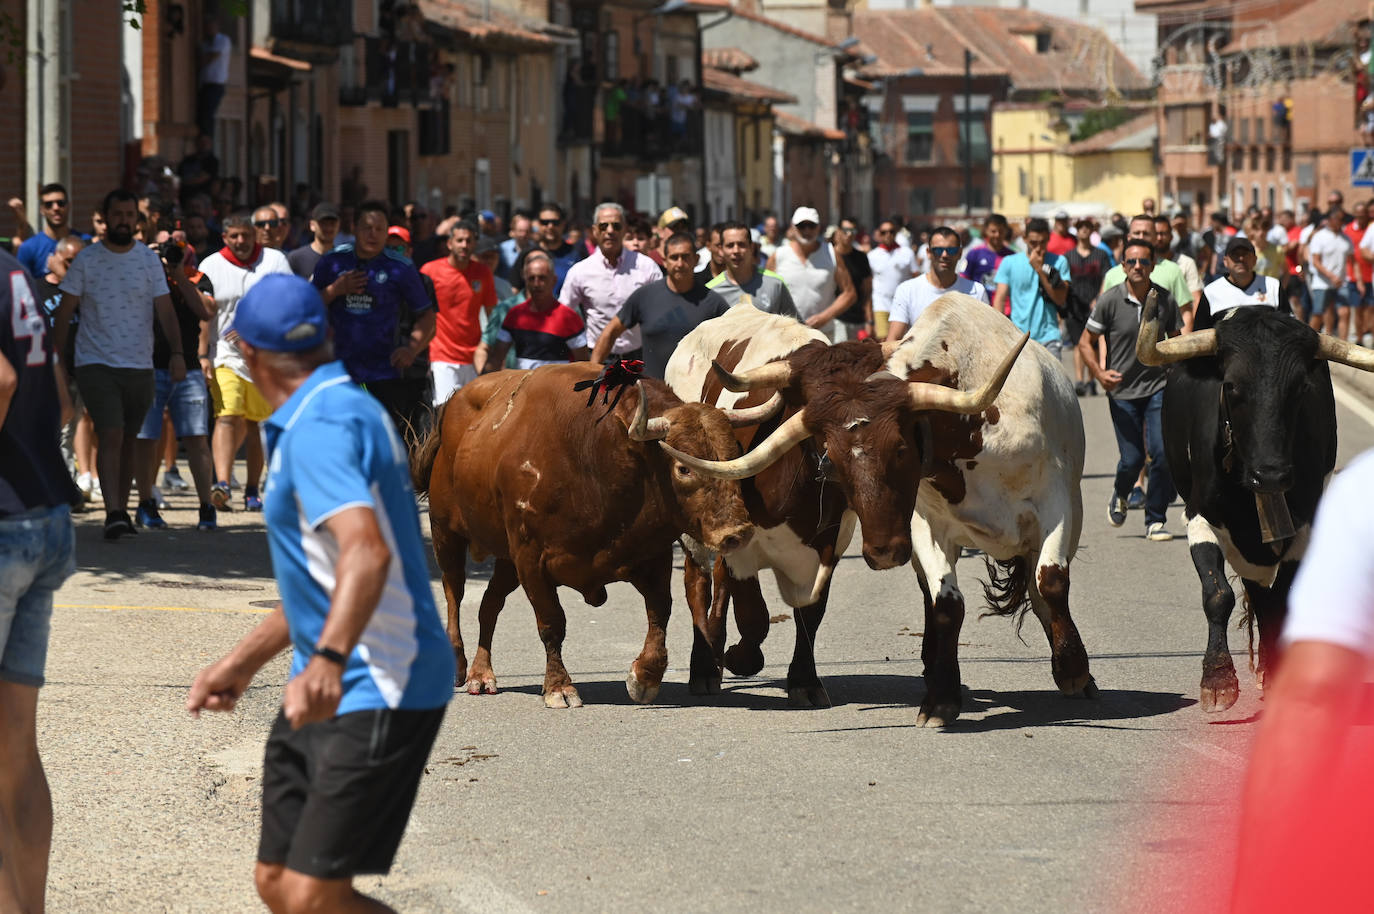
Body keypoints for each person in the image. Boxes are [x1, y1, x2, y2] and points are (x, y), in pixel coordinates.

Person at [186, 274, 453, 914]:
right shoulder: (338, 407)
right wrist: (242, 662)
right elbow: (326, 576)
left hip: (383, 680)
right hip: (330, 676)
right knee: (279, 883)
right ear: (327, 338)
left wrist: (329, 658)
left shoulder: (321, 427)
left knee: (310, 895)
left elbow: (364, 550)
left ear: (244, 353)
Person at [0, 244, 78, 914]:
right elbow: (47, 374)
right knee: (14, 749)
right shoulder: (12, 270)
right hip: (41, 512)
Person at [52, 189, 185, 540]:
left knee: (128, 437)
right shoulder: (87, 260)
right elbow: (64, 313)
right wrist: (57, 361)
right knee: (110, 432)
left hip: (139, 364)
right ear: (105, 217)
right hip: (95, 362)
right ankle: (113, 511)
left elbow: (166, 310)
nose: (124, 220)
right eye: (118, 214)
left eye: (130, 215)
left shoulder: (147, 261)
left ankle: (121, 510)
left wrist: (176, 353)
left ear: (136, 221)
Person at [1077, 239, 1181, 541]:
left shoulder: (1165, 299)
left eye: (1144, 262)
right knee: (1132, 459)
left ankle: (1156, 519)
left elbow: (1175, 340)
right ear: (1123, 265)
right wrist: (1098, 373)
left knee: (1162, 454)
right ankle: (1121, 493)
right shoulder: (1110, 300)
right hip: (1121, 392)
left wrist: (1177, 376)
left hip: (1158, 387)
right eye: (1131, 262)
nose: (1137, 267)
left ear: (1153, 265)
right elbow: (1086, 341)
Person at [310, 200, 435, 432]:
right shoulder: (332, 262)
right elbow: (307, 306)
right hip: (339, 369)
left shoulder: (401, 268)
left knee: (383, 438)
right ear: (354, 228)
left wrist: (411, 348)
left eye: (380, 229)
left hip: (385, 372)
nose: (373, 234)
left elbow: (427, 318)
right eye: (367, 227)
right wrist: (335, 290)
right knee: (340, 434)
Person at [200, 211, 293, 511]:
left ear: (255, 235)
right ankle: (223, 484)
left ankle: (252, 488)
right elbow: (203, 314)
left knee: (256, 424)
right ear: (224, 237)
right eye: (234, 236)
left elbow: (289, 303)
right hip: (224, 356)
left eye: (246, 235)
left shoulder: (275, 261)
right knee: (227, 414)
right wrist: (202, 354)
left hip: (265, 359)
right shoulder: (210, 266)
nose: (241, 241)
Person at [133, 240, 218, 531]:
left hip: (190, 368)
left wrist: (178, 274)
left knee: (196, 437)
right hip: (149, 365)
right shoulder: (143, 274)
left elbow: (207, 311)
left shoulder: (196, 277)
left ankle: (207, 506)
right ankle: (146, 504)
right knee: (146, 438)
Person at [591, 232, 729, 378]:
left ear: (696, 259)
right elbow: (610, 332)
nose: (680, 264)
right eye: (674, 257)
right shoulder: (644, 296)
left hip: (696, 396)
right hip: (652, 395)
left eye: (686, 257)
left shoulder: (714, 303)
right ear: (664, 261)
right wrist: (591, 374)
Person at [559, 202, 660, 363]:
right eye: (603, 226)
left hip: (638, 358)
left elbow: (661, 311)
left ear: (624, 229)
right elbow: (564, 314)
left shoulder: (646, 267)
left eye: (616, 226)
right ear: (594, 231)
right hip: (597, 360)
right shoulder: (580, 271)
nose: (610, 231)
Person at [421, 220, 496, 406]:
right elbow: (421, 314)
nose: (464, 245)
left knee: (473, 413)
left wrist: (485, 348)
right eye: (460, 240)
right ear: (449, 243)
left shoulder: (483, 272)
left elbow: (492, 314)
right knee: (446, 410)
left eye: (469, 241)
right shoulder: (430, 271)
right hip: (442, 356)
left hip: (474, 358)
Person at [476, 252, 588, 371]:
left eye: (542, 278)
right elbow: (496, 358)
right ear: (525, 280)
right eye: (531, 278)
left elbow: (582, 364)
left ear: (554, 280)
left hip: (557, 388)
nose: (536, 284)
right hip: (522, 387)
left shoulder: (569, 317)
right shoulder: (515, 315)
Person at [767, 206, 856, 340]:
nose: (807, 230)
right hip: (786, 336)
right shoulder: (779, 256)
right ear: (792, 227)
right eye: (802, 226)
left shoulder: (831, 254)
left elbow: (849, 293)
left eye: (811, 225)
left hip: (822, 334)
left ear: (819, 227)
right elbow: (766, 293)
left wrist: (824, 317)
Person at [885, 225, 988, 341]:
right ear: (928, 253)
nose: (944, 255)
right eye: (938, 250)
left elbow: (986, 338)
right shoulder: (906, 290)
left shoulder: (977, 291)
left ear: (959, 253)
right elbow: (894, 338)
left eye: (951, 250)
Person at [1099, 214, 1195, 330]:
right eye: (1137, 233)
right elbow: (1102, 321)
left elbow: (1185, 312)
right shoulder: (1112, 275)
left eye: (1146, 233)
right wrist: (1103, 348)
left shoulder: (1173, 271)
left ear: (1155, 238)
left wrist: (1182, 346)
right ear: (1129, 237)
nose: (1141, 237)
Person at [992, 217, 1070, 358]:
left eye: (1043, 242)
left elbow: (1060, 299)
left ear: (1048, 239)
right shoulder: (1009, 262)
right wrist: (999, 332)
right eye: (1033, 243)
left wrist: (1039, 270)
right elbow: (1000, 299)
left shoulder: (1060, 261)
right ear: (1025, 239)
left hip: (1049, 336)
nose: (1038, 248)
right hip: (1018, 338)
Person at [1193, 237, 1286, 332]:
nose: (1241, 258)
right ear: (1225, 261)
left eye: (1245, 254)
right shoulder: (1211, 292)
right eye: (1235, 255)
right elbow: (1200, 333)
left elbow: (1289, 328)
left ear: (1255, 260)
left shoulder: (1273, 286)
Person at [706, 221, 797, 317]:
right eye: (730, 245)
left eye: (741, 245)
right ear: (721, 250)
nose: (736, 251)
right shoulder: (711, 292)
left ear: (751, 247)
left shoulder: (775, 285)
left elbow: (796, 327)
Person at [1063, 219, 1112, 395]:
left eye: (1087, 227)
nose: (1084, 230)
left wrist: (1099, 298)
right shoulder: (1068, 256)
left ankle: (1091, 380)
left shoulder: (1100, 254)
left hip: (1095, 304)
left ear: (1092, 231)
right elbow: (1064, 281)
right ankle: (1079, 380)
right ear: (1076, 231)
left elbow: (1107, 276)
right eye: (1080, 227)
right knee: (1078, 343)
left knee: (1093, 344)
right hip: (1074, 306)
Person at [511, 203, 583, 295]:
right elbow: (515, 289)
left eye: (555, 222)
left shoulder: (576, 254)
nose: (550, 226)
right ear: (538, 224)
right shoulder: (527, 254)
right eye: (545, 222)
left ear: (563, 224)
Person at [867, 218, 917, 340]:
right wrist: (869, 319)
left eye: (891, 231)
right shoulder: (872, 255)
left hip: (903, 306)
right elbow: (868, 286)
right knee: (883, 343)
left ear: (896, 233)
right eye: (884, 232)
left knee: (902, 342)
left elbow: (916, 276)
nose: (888, 235)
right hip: (881, 305)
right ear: (879, 234)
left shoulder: (907, 253)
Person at [1307, 207, 1353, 339]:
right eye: (1339, 219)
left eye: (1343, 219)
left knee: (1345, 312)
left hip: (1341, 283)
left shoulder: (1346, 239)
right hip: (1322, 283)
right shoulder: (1319, 237)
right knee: (1318, 314)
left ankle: (1344, 346)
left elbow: (1352, 260)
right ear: (1331, 220)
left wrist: (1357, 278)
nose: (1342, 222)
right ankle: (1308, 342)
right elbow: (1316, 261)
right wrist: (1331, 276)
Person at [17, 184, 77, 281]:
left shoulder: (84, 242)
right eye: (49, 204)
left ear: (69, 206)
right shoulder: (28, 248)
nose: (55, 208)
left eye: (60, 203)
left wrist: (60, 273)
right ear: (42, 210)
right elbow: (23, 287)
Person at [1154, 215, 1203, 317]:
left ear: (1171, 236)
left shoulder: (1186, 263)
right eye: (1156, 234)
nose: (1159, 238)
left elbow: (1196, 299)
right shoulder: (1145, 265)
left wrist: (1191, 329)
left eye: (1163, 234)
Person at [833, 220, 872, 340]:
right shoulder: (829, 255)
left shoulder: (861, 257)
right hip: (836, 319)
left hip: (858, 319)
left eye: (852, 231)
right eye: (845, 230)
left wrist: (869, 320)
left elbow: (867, 290)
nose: (849, 234)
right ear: (838, 232)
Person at [961, 213, 1015, 301]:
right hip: (979, 307)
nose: (997, 235)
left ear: (1005, 231)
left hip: (1005, 310)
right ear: (986, 231)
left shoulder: (1012, 256)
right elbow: (964, 278)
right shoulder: (974, 253)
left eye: (1000, 231)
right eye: (993, 231)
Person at [1342, 200, 1373, 346]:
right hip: (1354, 275)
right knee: (1358, 308)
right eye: (1358, 215)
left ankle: (1368, 334)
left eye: (1364, 215)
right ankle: (1360, 338)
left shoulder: (1370, 228)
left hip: (1370, 274)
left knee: (1370, 309)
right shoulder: (1348, 230)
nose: (1361, 218)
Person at [197, 18, 231, 139]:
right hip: (205, 84)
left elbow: (212, 56)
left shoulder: (223, 40)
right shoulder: (205, 43)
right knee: (202, 114)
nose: (209, 29)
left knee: (208, 113)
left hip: (216, 85)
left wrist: (202, 60)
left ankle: (207, 139)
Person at [288, 203, 341, 280]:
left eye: (332, 224)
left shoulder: (344, 258)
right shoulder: (296, 258)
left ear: (339, 226)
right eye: (323, 223)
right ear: (312, 225)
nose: (328, 228)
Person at [498, 211, 532, 281]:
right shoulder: (503, 249)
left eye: (527, 231)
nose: (524, 234)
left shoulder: (535, 249)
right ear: (514, 231)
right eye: (520, 231)